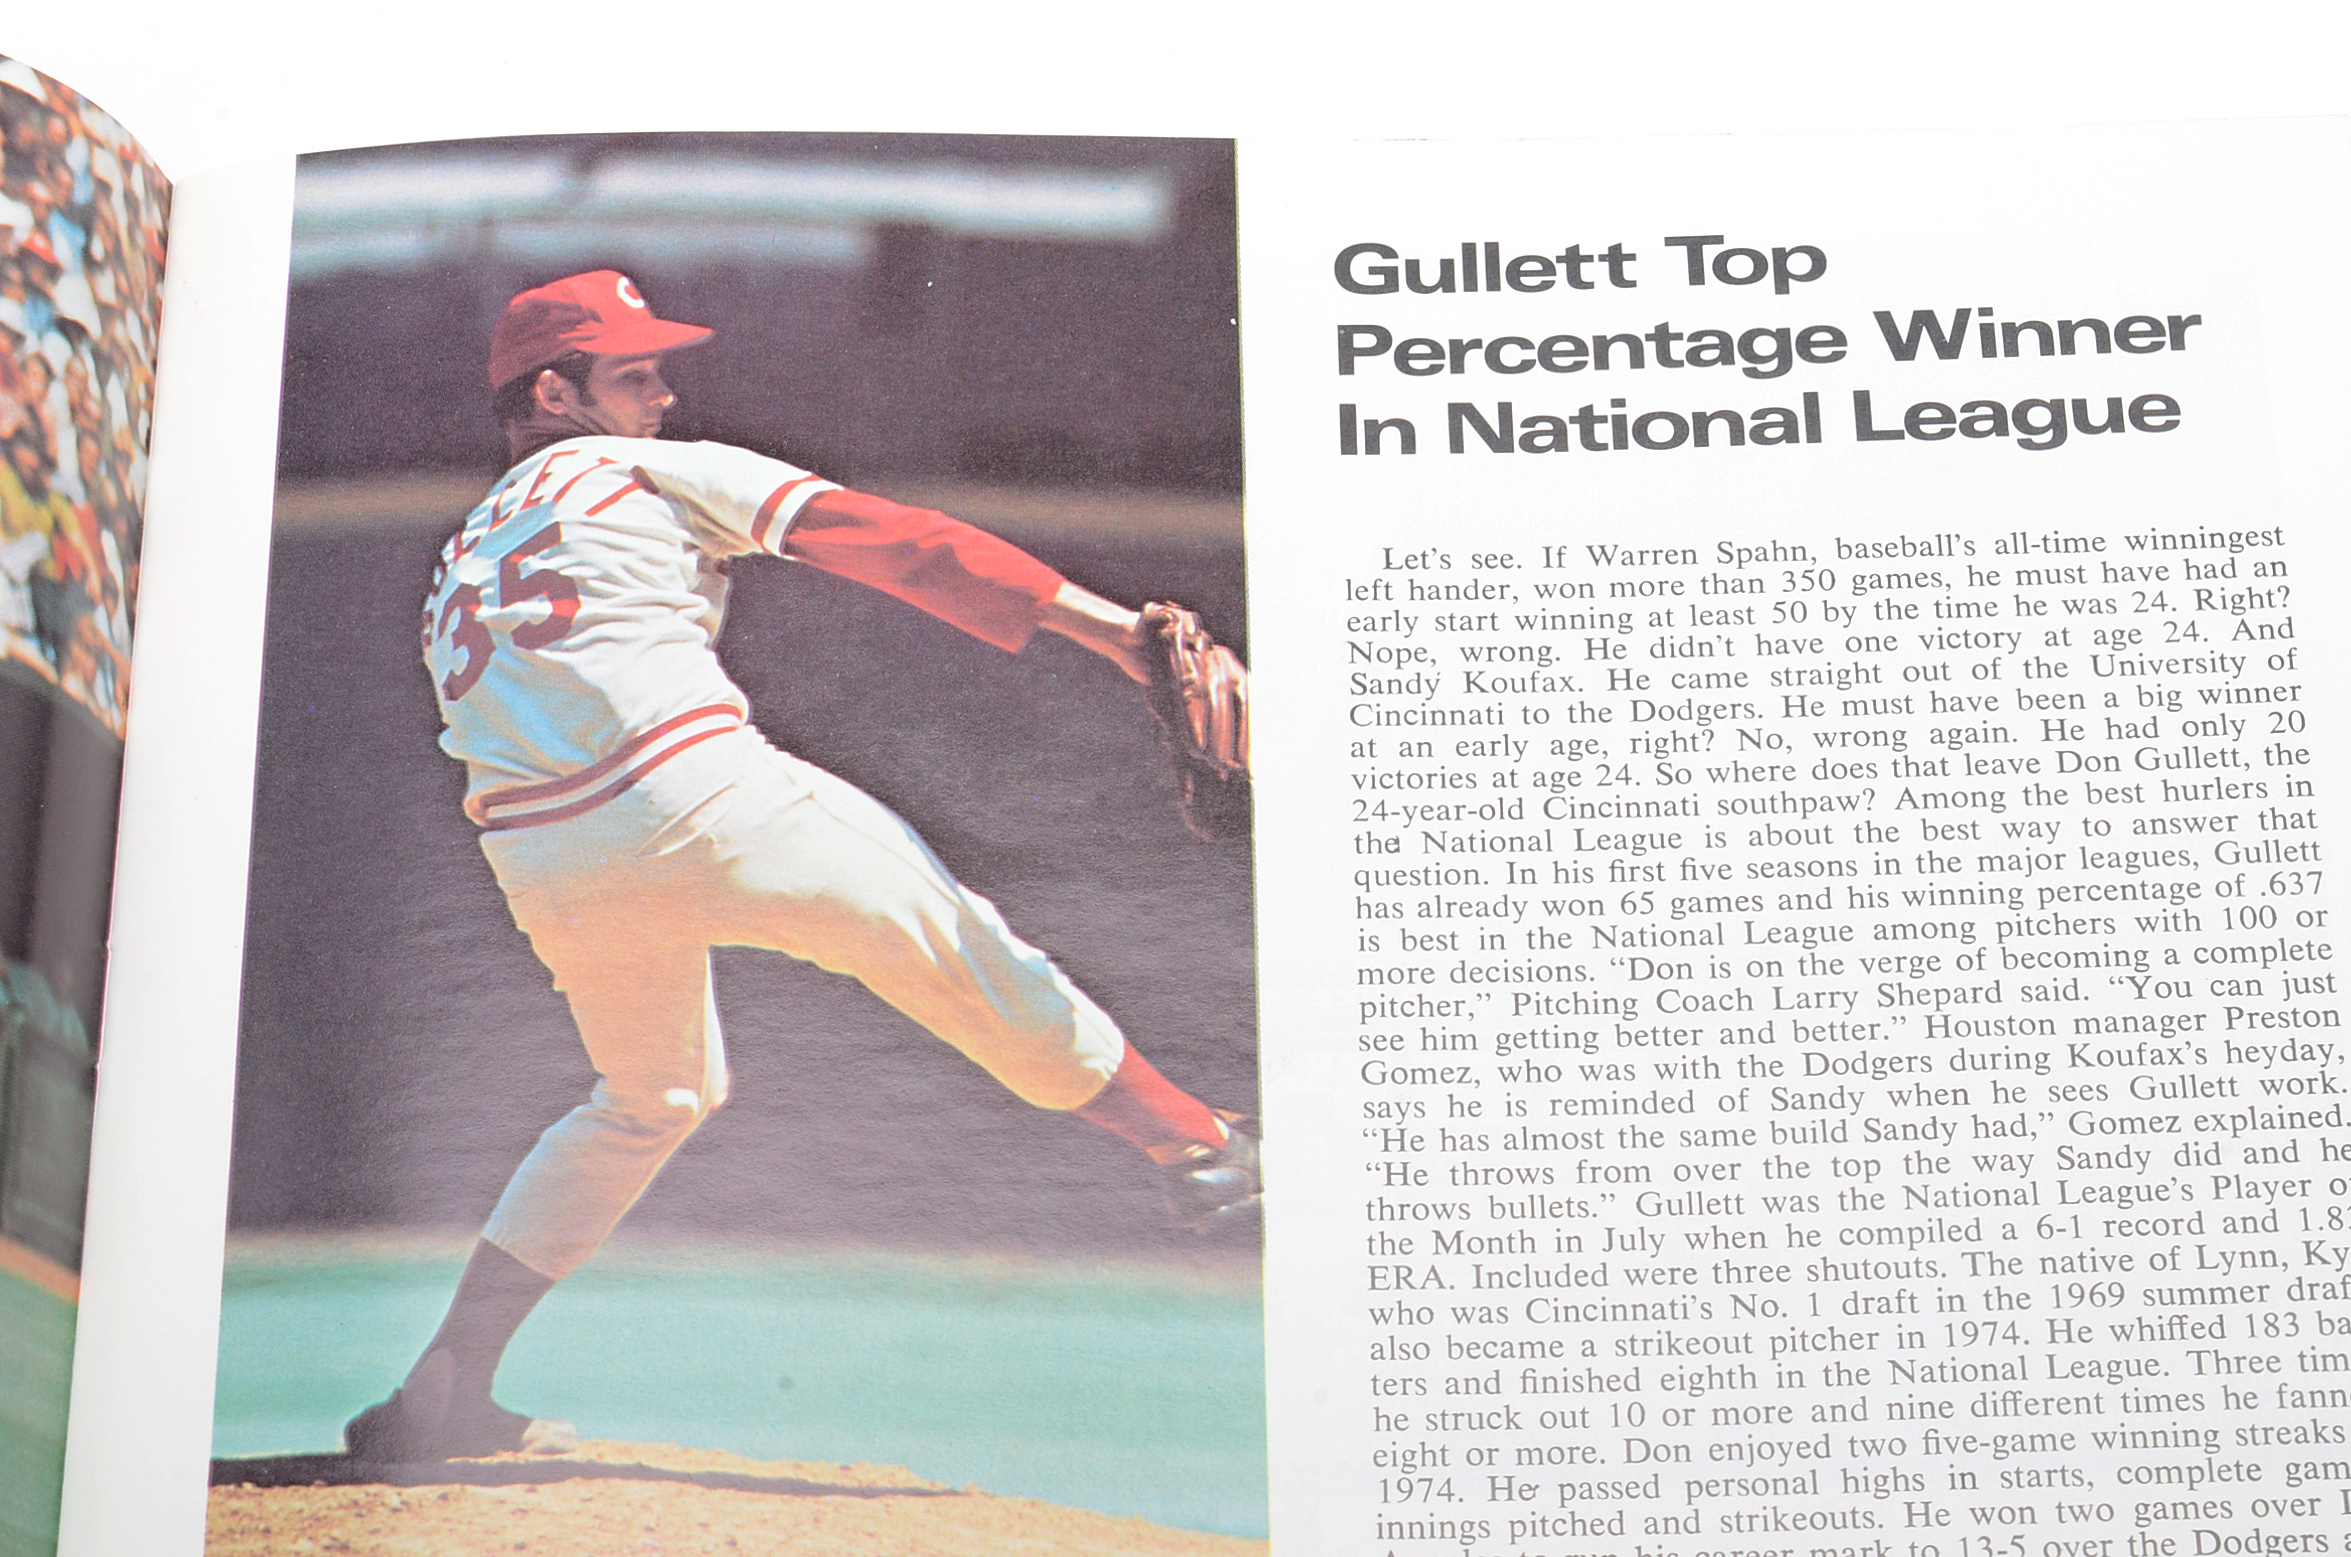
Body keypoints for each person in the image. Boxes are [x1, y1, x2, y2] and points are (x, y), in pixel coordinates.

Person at [344, 270, 1260, 1463]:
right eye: (634, 374)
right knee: (959, 941)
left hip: (542, 855)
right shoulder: (633, 470)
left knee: (650, 1096)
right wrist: (1116, 634)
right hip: (697, 795)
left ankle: (440, 1393)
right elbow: (896, 542)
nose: (665, 394)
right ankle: (1200, 1147)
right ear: (554, 390)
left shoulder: (464, 550)